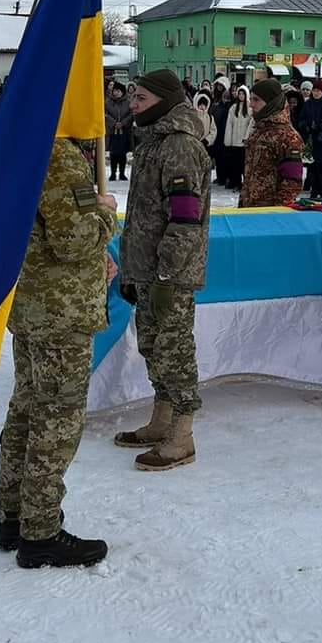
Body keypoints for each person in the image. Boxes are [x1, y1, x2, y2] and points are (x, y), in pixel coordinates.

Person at [0, 139, 118, 568]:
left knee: (27, 411)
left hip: (33, 302)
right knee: (55, 420)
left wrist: (94, 259)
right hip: (61, 313)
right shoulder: (59, 155)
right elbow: (73, 239)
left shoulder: (19, 148)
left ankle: (14, 517)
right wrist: (106, 211)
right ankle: (41, 532)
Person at [115, 71, 211, 471]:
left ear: (164, 101)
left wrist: (167, 276)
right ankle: (162, 420)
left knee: (174, 353)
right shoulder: (154, 142)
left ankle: (182, 436)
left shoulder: (180, 147)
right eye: (133, 97)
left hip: (170, 274)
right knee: (153, 347)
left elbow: (185, 219)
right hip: (147, 270)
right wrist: (133, 272)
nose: (133, 105)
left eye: (140, 98)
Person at [239, 78, 304, 207]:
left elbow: (292, 182)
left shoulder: (287, 137)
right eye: (250, 99)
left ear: (271, 103)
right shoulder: (258, 131)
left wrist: (275, 213)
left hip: (269, 215)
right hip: (249, 210)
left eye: (256, 100)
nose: (251, 104)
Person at [298, 78, 322, 200]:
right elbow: (301, 119)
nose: (316, 93)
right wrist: (308, 126)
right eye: (314, 91)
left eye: (318, 91)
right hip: (312, 139)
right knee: (312, 167)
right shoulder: (308, 104)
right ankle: (314, 191)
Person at [222, 84, 253, 190]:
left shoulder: (250, 108)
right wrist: (228, 140)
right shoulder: (233, 108)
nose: (240, 96)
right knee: (235, 165)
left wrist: (246, 137)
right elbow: (229, 125)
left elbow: (251, 124)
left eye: (242, 94)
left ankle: (246, 183)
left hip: (244, 142)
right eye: (239, 93)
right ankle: (237, 183)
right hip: (235, 141)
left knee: (244, 164)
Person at [104, 80, 133, 181]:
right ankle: (112, 173)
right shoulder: (107, 102)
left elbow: (131, 114)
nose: (116, 93)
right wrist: (114, 123)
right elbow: (106, 114)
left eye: (118, 91)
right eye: (114, 91)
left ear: (122, 92)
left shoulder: (128, 102)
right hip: (112, 131)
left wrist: (123, 123)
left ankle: (122, 173)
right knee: (113, 153)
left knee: (122, 153)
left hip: (124, 131)